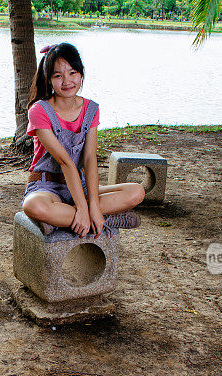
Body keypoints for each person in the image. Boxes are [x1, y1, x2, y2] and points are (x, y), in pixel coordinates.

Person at [22, 43, 145, 237]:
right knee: (34, 206)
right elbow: (65, 162)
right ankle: (102, 218)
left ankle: (62, 221)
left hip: (79, 186)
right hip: (46, 186)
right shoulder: (39, 111)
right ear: (49, 80)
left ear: (81, 74)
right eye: (58, 76)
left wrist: (93, 205)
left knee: (136, 192)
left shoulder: (91, 109)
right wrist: (83, 207)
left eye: (72, 73)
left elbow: (89, 159)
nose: (67, 81)